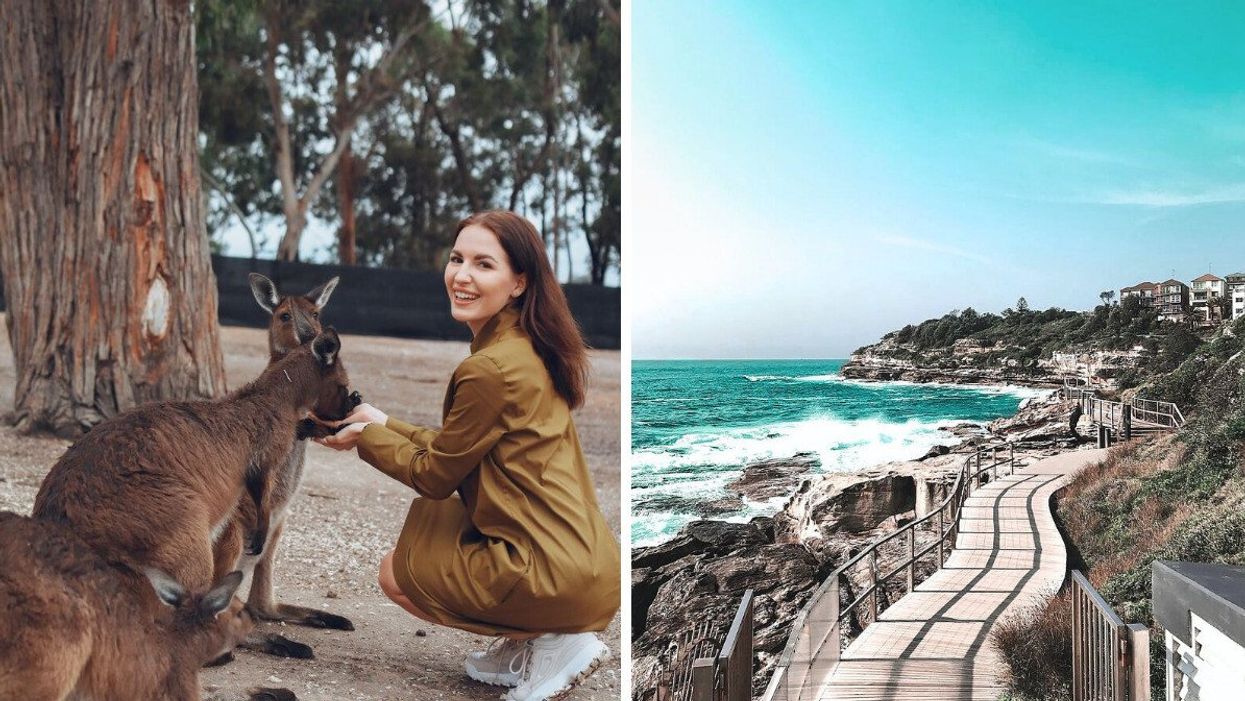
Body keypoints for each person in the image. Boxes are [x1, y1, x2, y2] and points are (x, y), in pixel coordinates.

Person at [316, 211, 620, 701]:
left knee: (397, 573)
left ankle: (549, 642)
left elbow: (436, 474)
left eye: (483, 265)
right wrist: (381, 421)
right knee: (449, 511)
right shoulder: (531, 348)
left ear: (519, 282)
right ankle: (531, 641)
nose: (461, 275)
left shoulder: (490, 368)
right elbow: (458, 444)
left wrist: (363, 439)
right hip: (584, 563)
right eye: (457, 259)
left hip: (549, 573)